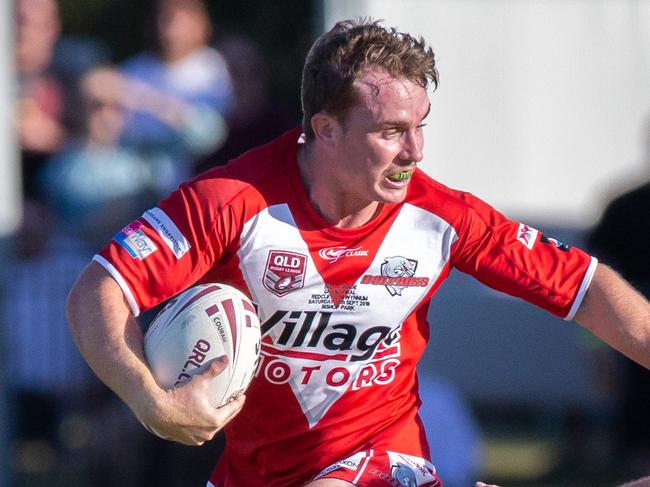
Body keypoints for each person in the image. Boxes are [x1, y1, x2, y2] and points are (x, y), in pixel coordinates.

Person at [66, 19, 650, 487]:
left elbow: (587, 288)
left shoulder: (441, 218)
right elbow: (98, 290)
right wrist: (151, 402)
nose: (415, 150)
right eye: (390, 131)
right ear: (326, 130)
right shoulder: (231, 202)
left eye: (420, 125)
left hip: (385, 461)